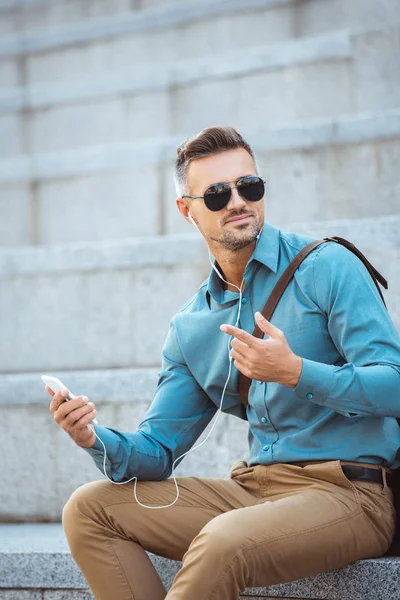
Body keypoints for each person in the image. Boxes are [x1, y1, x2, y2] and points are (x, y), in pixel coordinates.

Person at [47, 126, 400, 600]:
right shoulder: (192, 326)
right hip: (253, 490)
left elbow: (393, 383)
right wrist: (92, 437)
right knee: (88, 509)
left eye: (248, 187)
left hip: (350, 493)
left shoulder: (328, 266)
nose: (237, 201)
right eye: (216, 194)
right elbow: (157, 449)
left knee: (221, 541)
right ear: (186, 211)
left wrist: (296, 372)